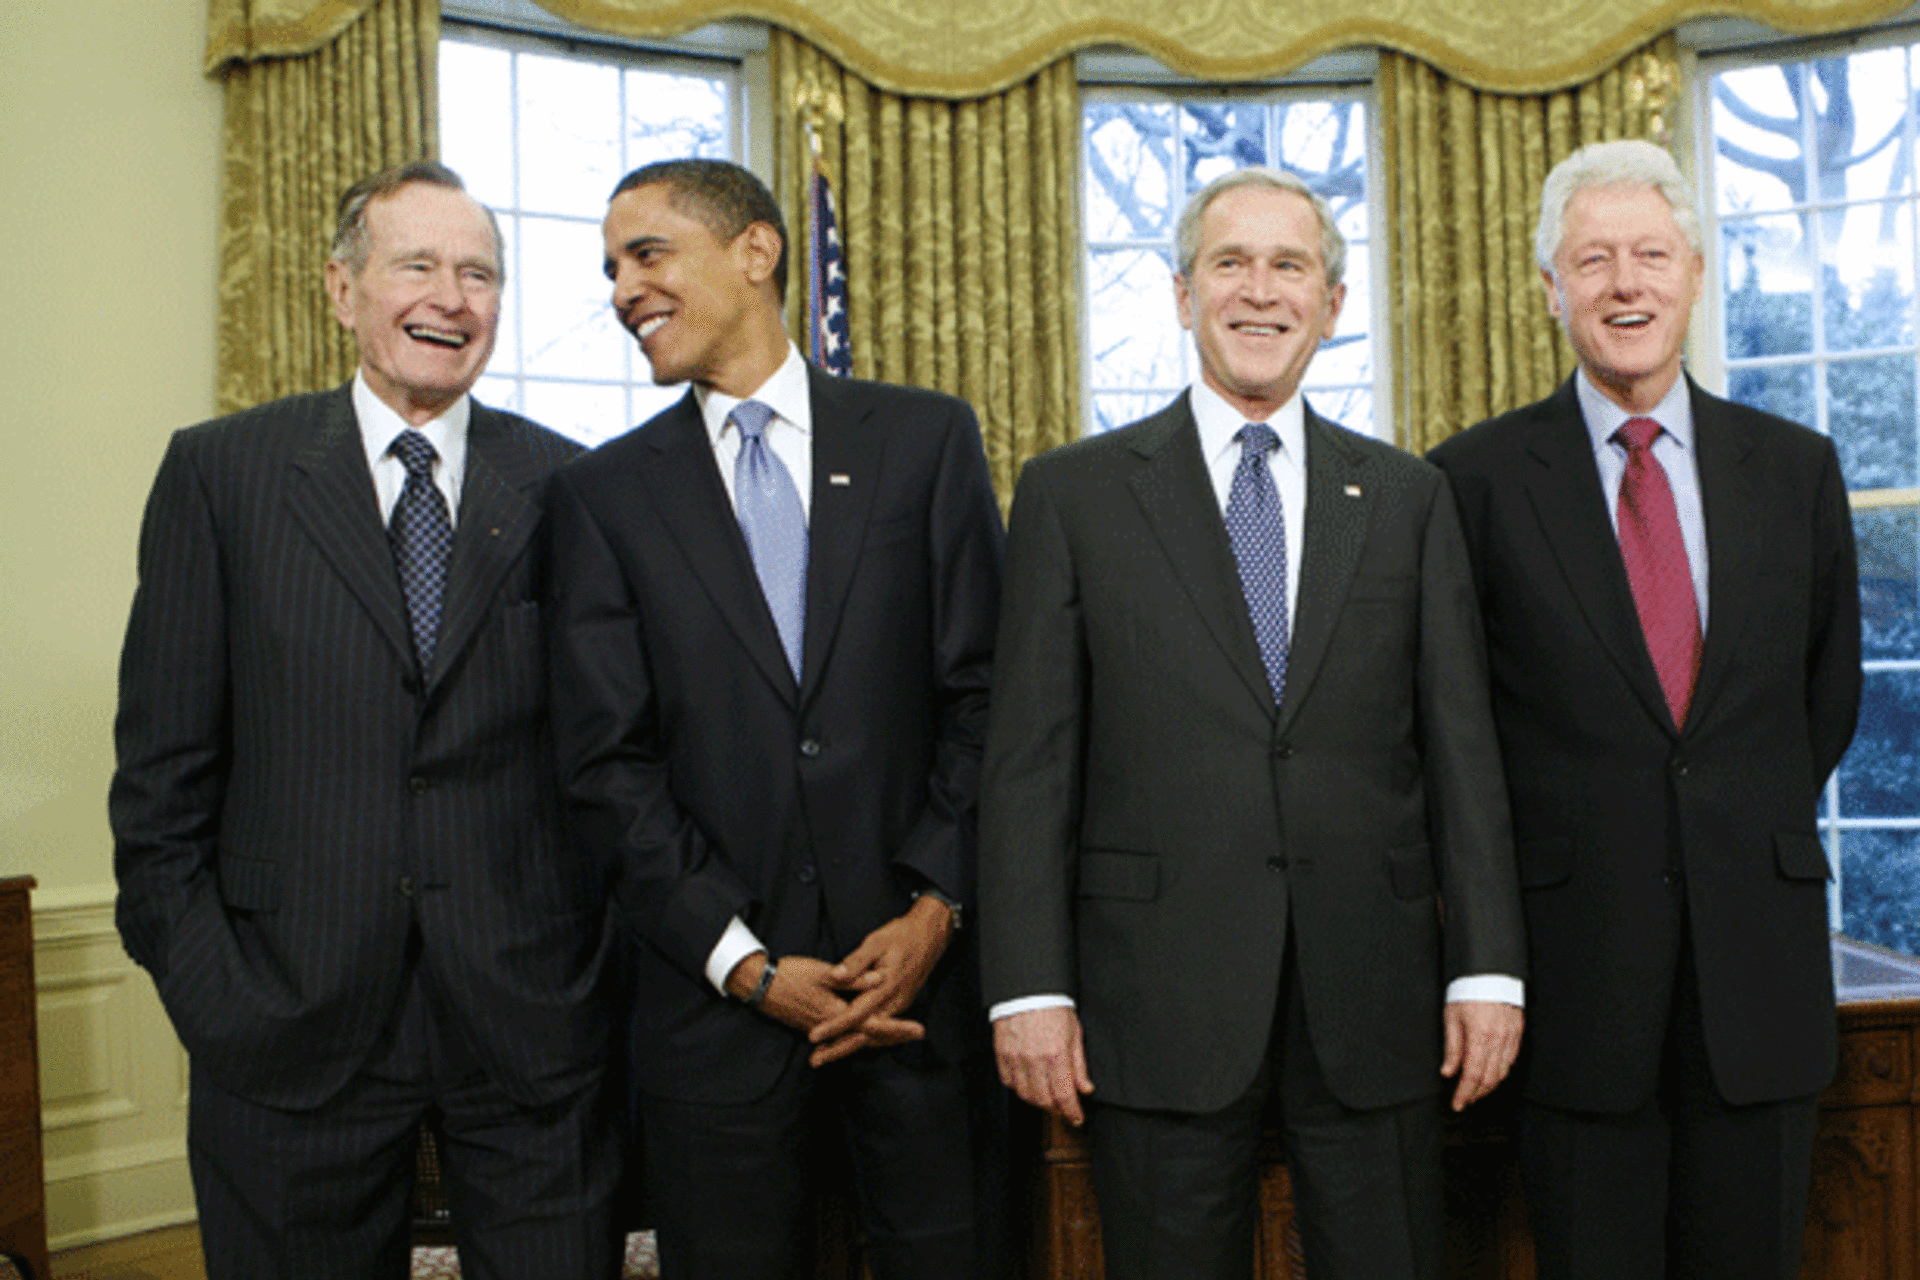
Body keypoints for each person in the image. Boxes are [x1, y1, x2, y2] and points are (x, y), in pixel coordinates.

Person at [979, 166, 1526, 1280]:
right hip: (1155, 993)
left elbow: (1461, 749)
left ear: (1333, 301)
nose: (1260, 291)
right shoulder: (1072, 495)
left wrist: (1487, 970)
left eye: (1292, 266)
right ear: (1182, 294)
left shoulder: (1411, 498)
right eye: (1231, 262)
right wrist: (1029, 985)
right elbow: (1030, 761)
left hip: (1375, 997)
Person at [108, 160, 616, 1280]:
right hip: (285, 1029)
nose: (452, 296)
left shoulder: (575, 488)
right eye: (418, 265)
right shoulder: (222, 475)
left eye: (479, 272)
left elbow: (614, 767)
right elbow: (160, 787)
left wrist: (589, 982)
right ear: (343, 291)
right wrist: (220, 1003)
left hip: (530, 1029)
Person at [546, 158, 1005, 1280]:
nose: (621, 289)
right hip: (718, 1024)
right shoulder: (602, 498)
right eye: (609, 268)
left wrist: (935, 910)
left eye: (646, 253)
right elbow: (608, 767)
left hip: (920, 1004)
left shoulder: (924, 439)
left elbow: (989, 699)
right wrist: (748, 966)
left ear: (756, 251)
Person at [1428, 139, 1862, 1280]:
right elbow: (1455, 727)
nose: (1627, 283)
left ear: (1697, 272)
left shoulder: (1799, 467)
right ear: (1551, 287)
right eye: (1596, 259)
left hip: (1758, 979)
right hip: (1575, 989)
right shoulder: (1467, 483)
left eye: (1652, 256)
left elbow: (1825, 699)